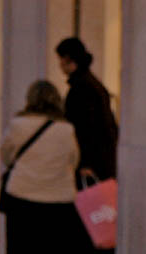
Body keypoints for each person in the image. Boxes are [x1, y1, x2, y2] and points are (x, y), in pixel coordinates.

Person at [0, 80, 104, 254]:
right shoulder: (65, 129)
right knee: (54, 251)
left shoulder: (18, 125)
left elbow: (6, 154)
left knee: (19, 250)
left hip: (22, 195)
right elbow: (73, 158)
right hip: (57, 198)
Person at [55, 36, 118, 185]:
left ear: (69, 59)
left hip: (91, 163)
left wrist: (86, 162)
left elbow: (86, 127)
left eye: (61, 59)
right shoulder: (90, 84)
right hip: (101, 160)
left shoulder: (82, 87)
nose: (60, 64)